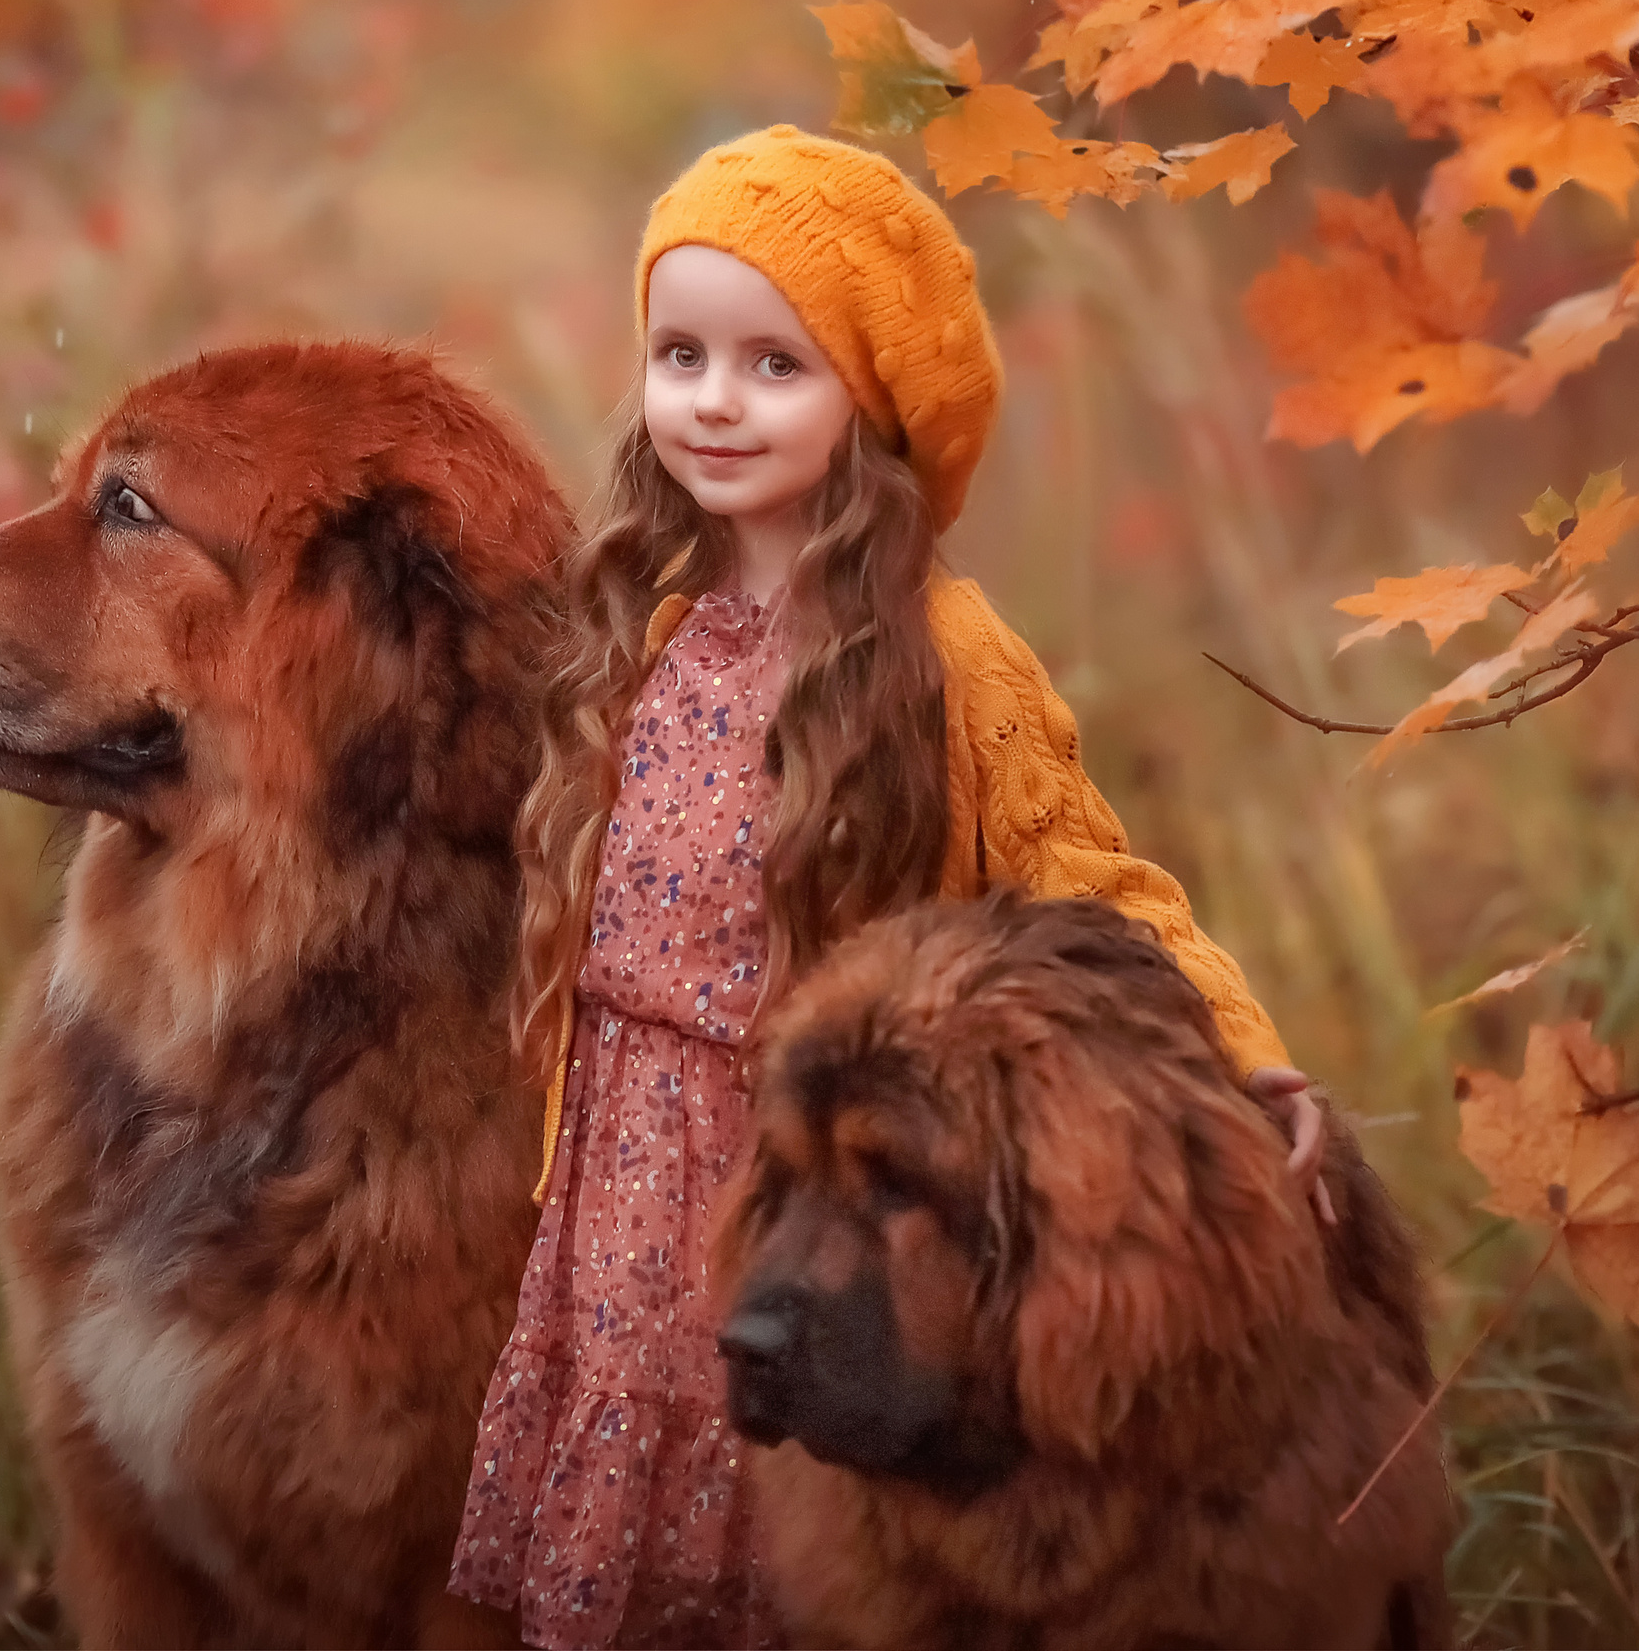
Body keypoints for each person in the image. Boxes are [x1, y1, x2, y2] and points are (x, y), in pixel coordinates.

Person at [447, 124, 1325, 1650]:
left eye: (776, 365)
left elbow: (1084, 875)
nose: (713, 401)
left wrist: (1237, 1045)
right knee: (626, 1529)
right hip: (615, 1168)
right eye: (680, 354)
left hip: (795, 1184)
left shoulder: (940, 652)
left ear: (879, 399)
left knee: (780, 1521)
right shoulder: (647, 625)